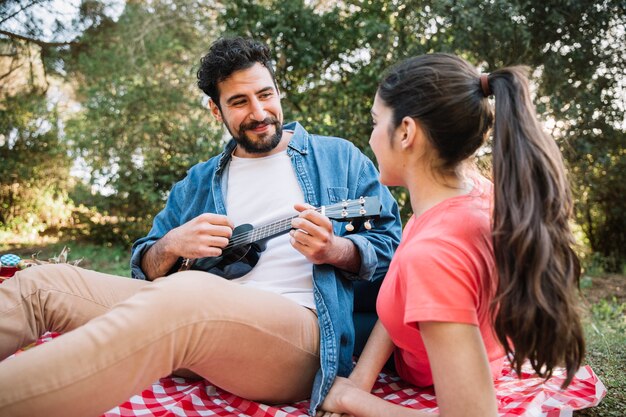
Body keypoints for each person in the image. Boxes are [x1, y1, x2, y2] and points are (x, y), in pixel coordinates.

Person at [0, 37, 402, 417]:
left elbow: (391, 252)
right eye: (240, 102)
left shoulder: (339, 157)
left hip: (301, 341)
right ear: (216, 110)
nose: (259, 112)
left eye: (265, 95)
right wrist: (172, 244)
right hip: (194, 324)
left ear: (278, 91)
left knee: (188, 295)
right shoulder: (197, 181)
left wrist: (334, 250)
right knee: (41, 286)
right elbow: (146, 270)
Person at [317, 53, 585, 417]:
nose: (371, 137)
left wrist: (352, 399)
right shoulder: (474, 193)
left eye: (376, 122)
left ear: (407, 132)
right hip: (425, 341)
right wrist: (360, 378)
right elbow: (404, 285)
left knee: (318, 322)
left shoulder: (434, 255)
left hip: (422, 369)